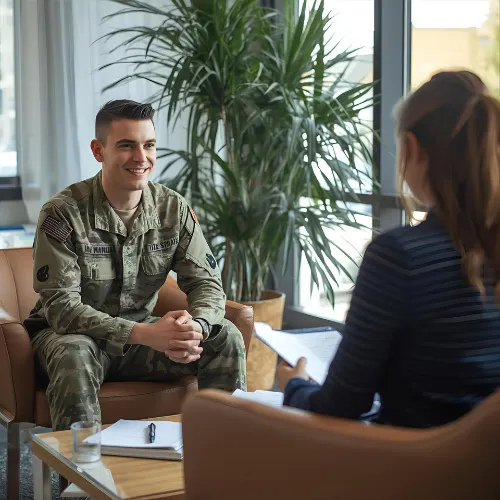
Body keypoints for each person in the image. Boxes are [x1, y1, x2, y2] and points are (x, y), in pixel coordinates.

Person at [277, 70, 500, 428]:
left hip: (409, 473)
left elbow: (339, 407)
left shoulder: (399, 257)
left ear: (411, 148)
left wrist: (295, 387)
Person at [24, 99, 246, 431]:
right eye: (127, 146)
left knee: (224, 335)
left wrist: (195, 326)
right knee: (74, 354)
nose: (141, 158)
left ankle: (225, 459)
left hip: (143, 342)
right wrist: (144, 334)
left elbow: (206, 284)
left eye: (149, 145)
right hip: (74, 338)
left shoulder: (172, 208)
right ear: (98, 151)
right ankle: (83, 479)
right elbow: (62, 310)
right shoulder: (63, 212)